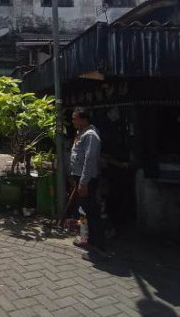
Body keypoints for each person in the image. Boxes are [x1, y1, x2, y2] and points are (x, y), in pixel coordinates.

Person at [69, 107, 108, 260]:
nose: (73, 121)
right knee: (84, 211)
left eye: (75, 118)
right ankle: (88, 240)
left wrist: (83, 182)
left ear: (84, 119)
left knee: (92, 213)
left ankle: (100, 248)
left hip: (87, 180)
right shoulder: (81, 133)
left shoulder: (90, 135)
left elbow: (89, 159)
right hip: (80, 178)